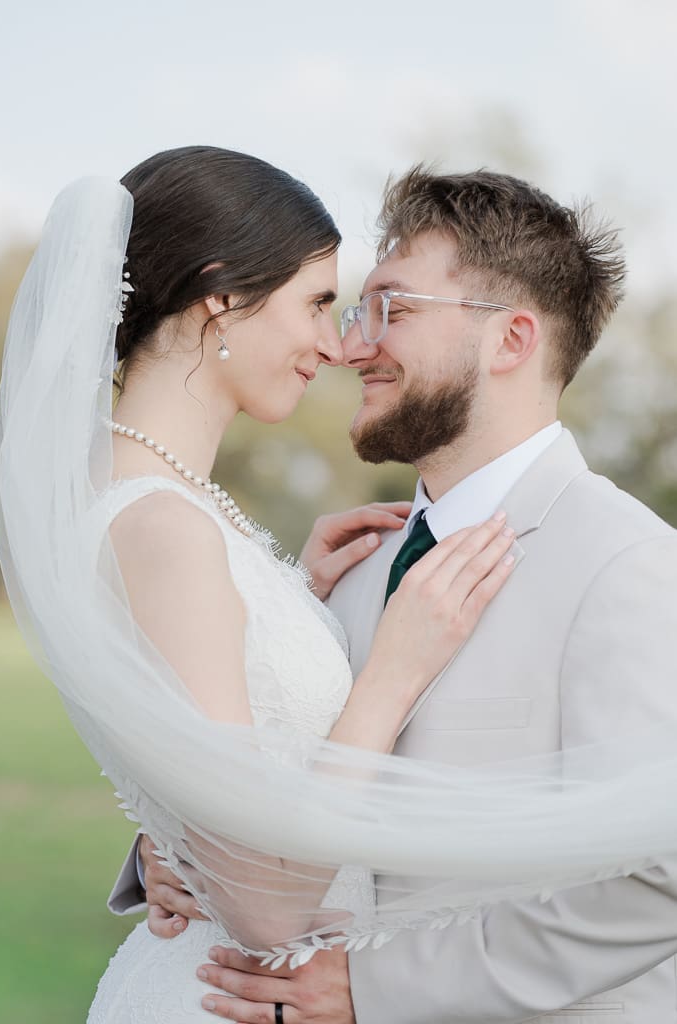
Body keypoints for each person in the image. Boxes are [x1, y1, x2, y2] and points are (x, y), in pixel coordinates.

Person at [132, 169, 677, 1023]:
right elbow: (274, 765)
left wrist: (378, 989)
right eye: (356, 311)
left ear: (510, 340)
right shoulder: (354, 564)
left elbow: (658, 873)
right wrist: (180, 849)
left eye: (394, 309)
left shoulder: (627, 564)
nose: (351, 347)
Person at [0, 147, 518, 1024]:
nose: (337, 343)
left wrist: (286, 601)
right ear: (221, 295)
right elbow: (263, 908)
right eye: (316, 303)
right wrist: (392, 670)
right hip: (235, 996)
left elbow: (210, 744)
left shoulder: (147, 502)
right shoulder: (169, 528)